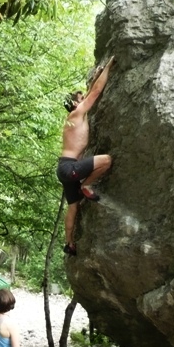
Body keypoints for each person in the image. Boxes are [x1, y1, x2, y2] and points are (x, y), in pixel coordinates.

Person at [56, 56, 115, 256]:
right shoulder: (76, 114)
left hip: (65, 168)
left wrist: (98, 74)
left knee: (73, 206)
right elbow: (96, 92)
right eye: (80, 98)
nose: (84, 98)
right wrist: (109, 66)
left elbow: (91, 89)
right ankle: (85, 185)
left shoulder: (74, 117)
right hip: (69, 167)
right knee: (106, 160)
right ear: (75, 103)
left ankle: (69, 243)